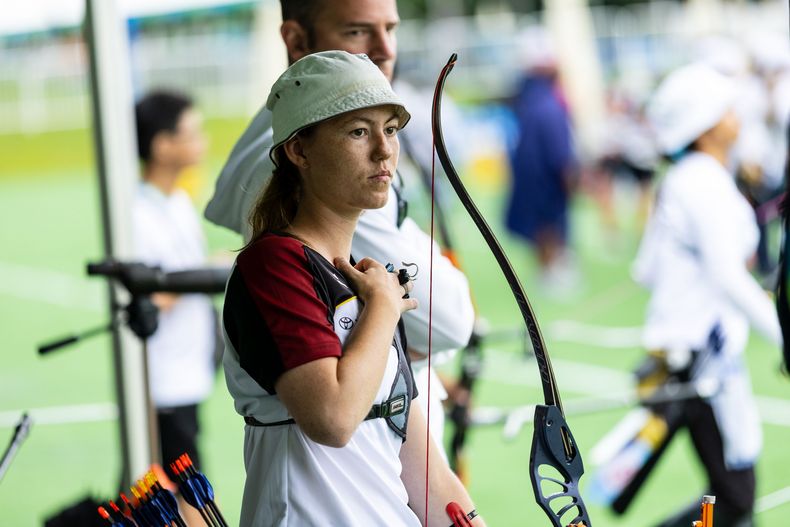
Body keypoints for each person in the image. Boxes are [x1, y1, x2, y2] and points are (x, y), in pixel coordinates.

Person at [221, 50, 483, 526]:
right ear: (299, 151)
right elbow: (333, 418)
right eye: (359, 131)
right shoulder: (274, 264)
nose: (384, 151)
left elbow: (421, 465)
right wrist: (383, 307)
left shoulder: (364, 281)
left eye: (391, 130)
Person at [633, 63, 782, 527]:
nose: (737, 116)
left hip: (694, 352)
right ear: (707, 124)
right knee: (733, 499)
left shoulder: (692, 178)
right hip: (698, 357)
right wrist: (785, 336)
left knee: (730, 496)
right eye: (727, 109)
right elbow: (726, 276)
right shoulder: (700, 180)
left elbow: (646, 269)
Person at [132, 90, 218, 525]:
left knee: (167, 495)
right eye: (192, 133)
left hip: (187, 374)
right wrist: (205, 274)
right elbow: (145, 296)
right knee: (183, 501)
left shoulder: (179, 203)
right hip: (163, 379)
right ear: (162, 145)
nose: (201, 143)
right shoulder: (134, 213)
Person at [505, 27, 578, 295]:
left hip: (532, 170)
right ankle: (551, 272)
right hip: (543, 173)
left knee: (543, 221)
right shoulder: (545, 102)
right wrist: (568, 173)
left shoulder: (531, 99)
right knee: (548, 222)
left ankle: (550, 270)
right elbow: (559, 150)